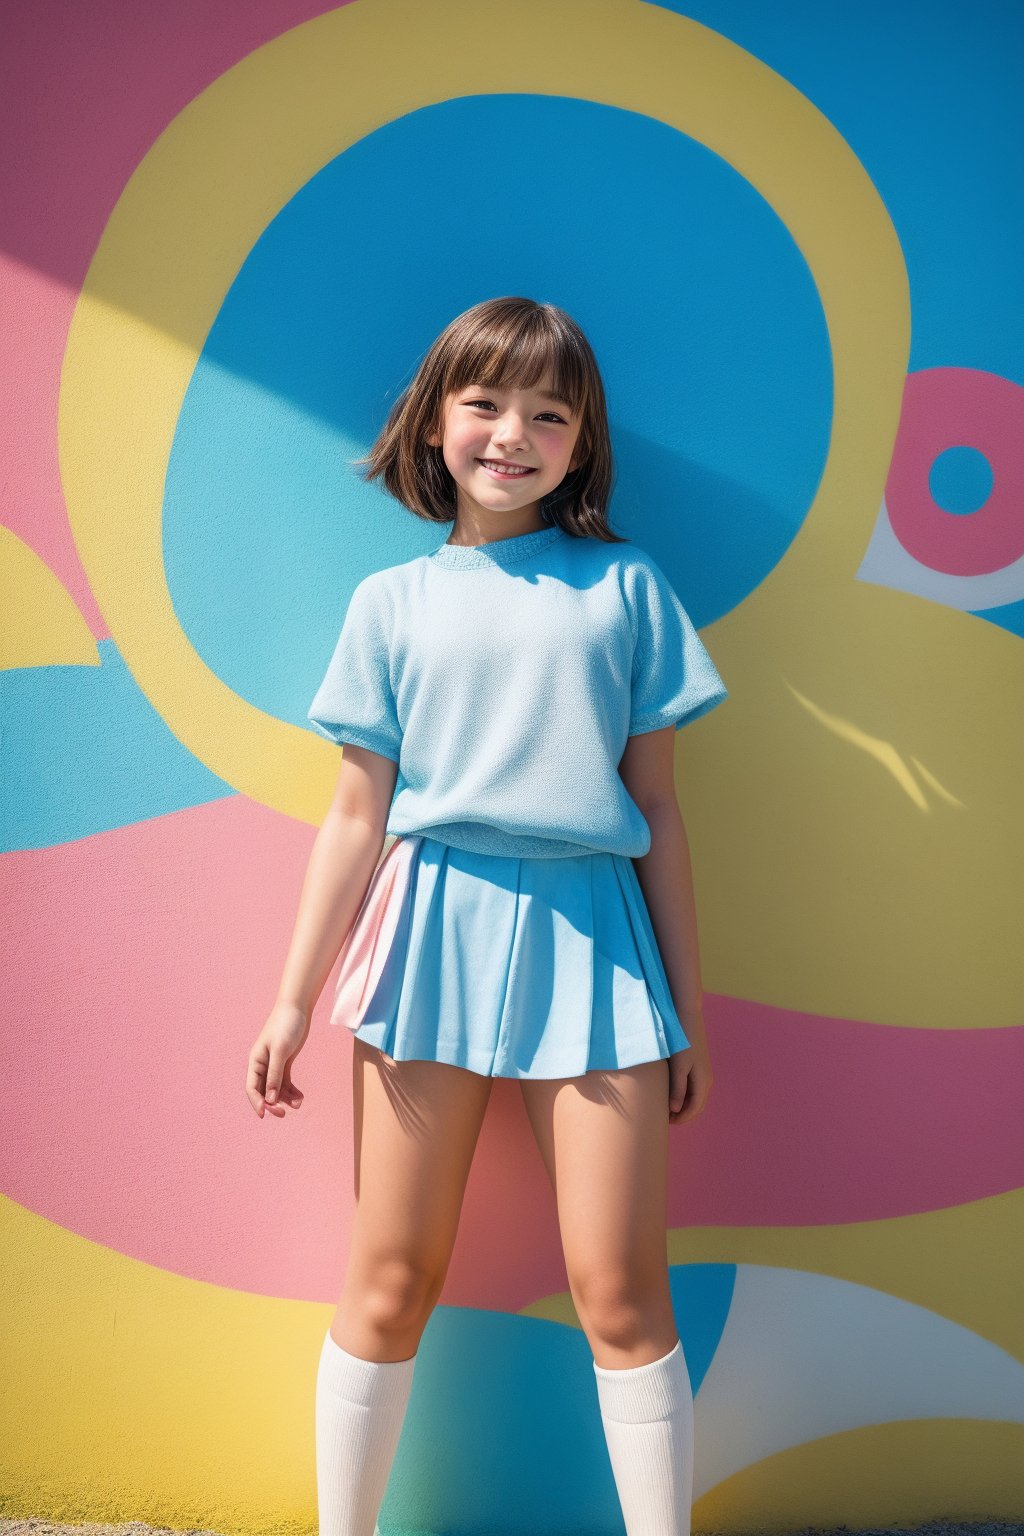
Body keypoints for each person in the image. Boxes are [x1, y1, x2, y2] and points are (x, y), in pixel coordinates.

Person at [245, 295, 728, 1536]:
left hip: (596, 940)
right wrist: (293, 999)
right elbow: (355, 817)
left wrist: (683, 1007)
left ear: (582, 442)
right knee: (392, 1277)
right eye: (486, 403)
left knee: (619, 1287)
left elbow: (659, 812)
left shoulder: (626, 586)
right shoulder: (389, 604)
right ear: (435, 418)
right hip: (425, 938)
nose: (513, 434)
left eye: (549, 413)